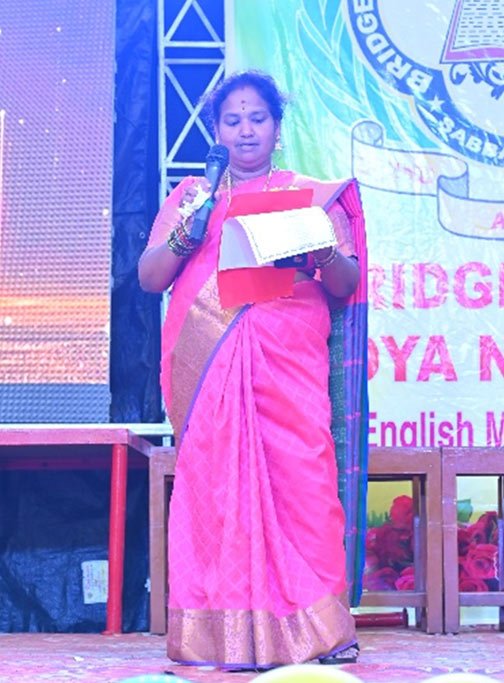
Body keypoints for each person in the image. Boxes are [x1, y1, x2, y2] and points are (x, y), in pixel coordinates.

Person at [138, 70, 366, 671]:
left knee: (304, 483)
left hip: (288, 361)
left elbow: (345, 282)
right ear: (216, 130)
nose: (245, 130)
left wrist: (320, 247)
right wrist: (188, 232)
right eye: (233, 120)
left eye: (257, 118)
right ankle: (224, 638)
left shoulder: (310, 198)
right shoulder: (193, 196)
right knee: (217, 490)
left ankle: (319, 632)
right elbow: (150, 277)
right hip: (210, 364)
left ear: (277, 128)